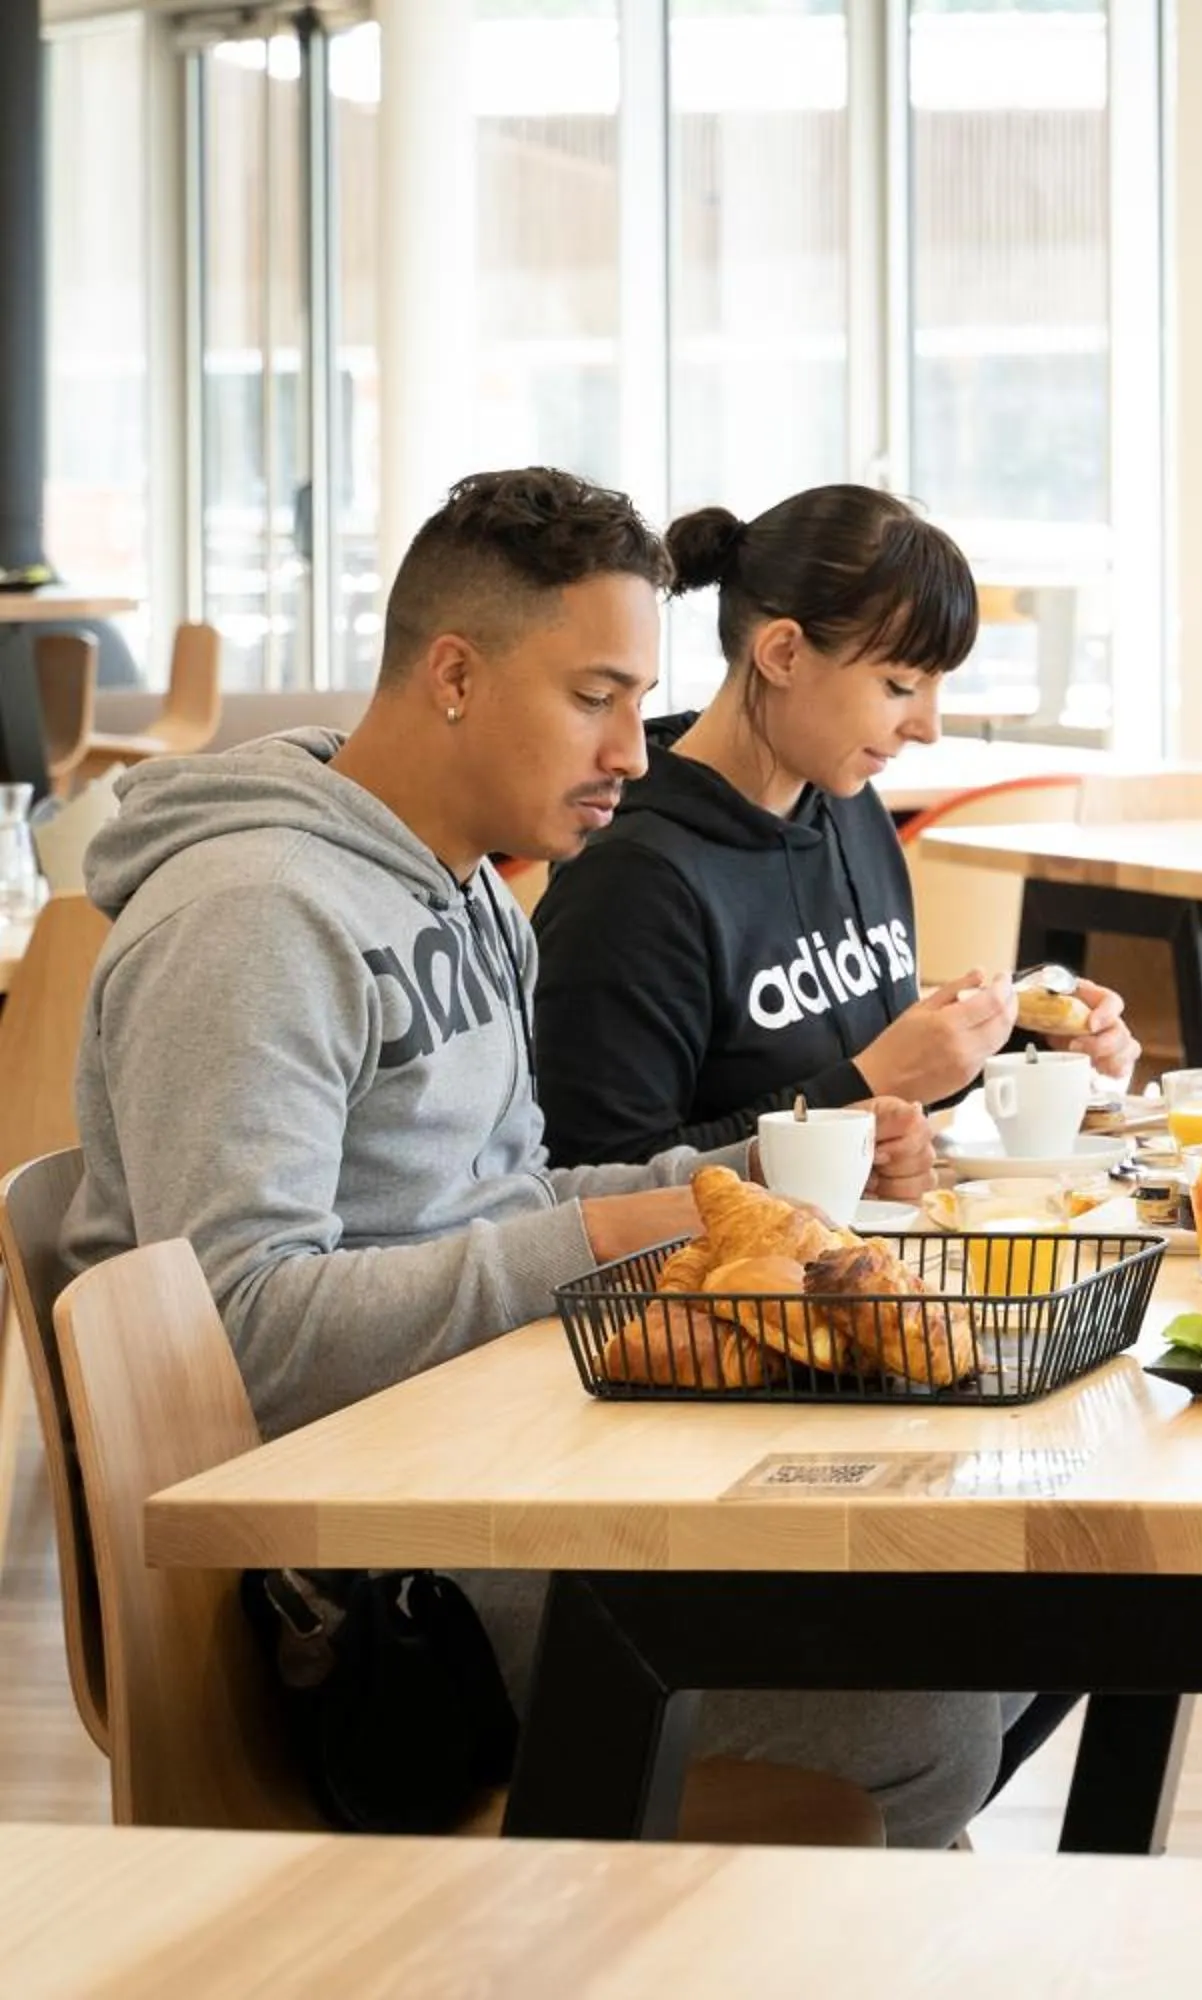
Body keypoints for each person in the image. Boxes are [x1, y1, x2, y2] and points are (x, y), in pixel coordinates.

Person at [60, 466, 1005, 1848]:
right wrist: (610, 1240)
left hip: (494, 1471)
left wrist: (747, 1180)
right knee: (926, 1718)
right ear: (454, 674)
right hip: (363, 1604)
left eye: (637, 700)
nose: (635, 747)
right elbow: (237, 1331)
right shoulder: (257, 916)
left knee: (982, 1620)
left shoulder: (466, 892)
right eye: (595, 697)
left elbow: (518, 1195)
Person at [532, 484, 1134, 1167]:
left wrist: (1026, 1040)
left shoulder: (848, 803)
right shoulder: (630, 881)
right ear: (784, 654)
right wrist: (875, 1080)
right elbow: (602, 1185)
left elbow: (884, 1096)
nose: (928, 727)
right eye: (899, 686)